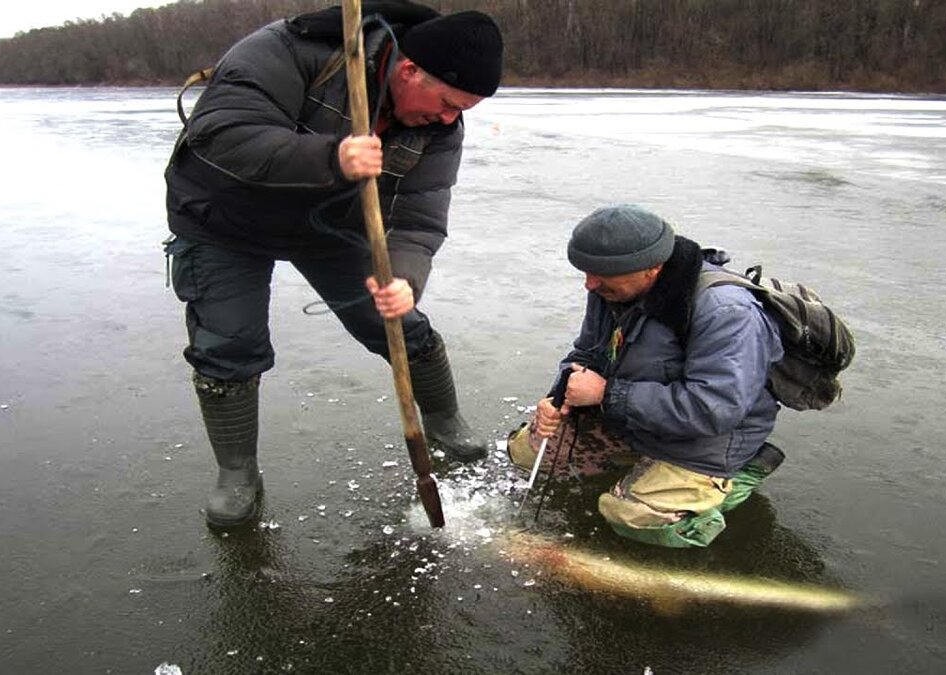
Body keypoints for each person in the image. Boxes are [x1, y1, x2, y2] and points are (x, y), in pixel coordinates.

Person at [163, 2, 503, 528]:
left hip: (329, 223)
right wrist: (331, 158)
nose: (450, 119)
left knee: (393, 318)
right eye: (447, 103)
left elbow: (420, 215)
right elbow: (222, 132)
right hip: (222, 219)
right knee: (228, 343)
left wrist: (406, 279)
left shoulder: (437, 128)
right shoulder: (287, 51)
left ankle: (443, 419)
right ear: (410, 71)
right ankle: (238, 474)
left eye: (464, 111)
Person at [508, 205, 788, 548]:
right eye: (586, 272)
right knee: (525, 450)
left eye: (601, 275)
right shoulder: (610, 289)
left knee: (632, 516)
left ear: (653, 268)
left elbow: (715, 408)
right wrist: (559, 397)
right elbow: (585, 354)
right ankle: (637, 461)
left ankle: (733, 481)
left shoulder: (726, 311)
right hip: (636, 417)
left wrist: (607, 394)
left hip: (710, 438)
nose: (589, 284)